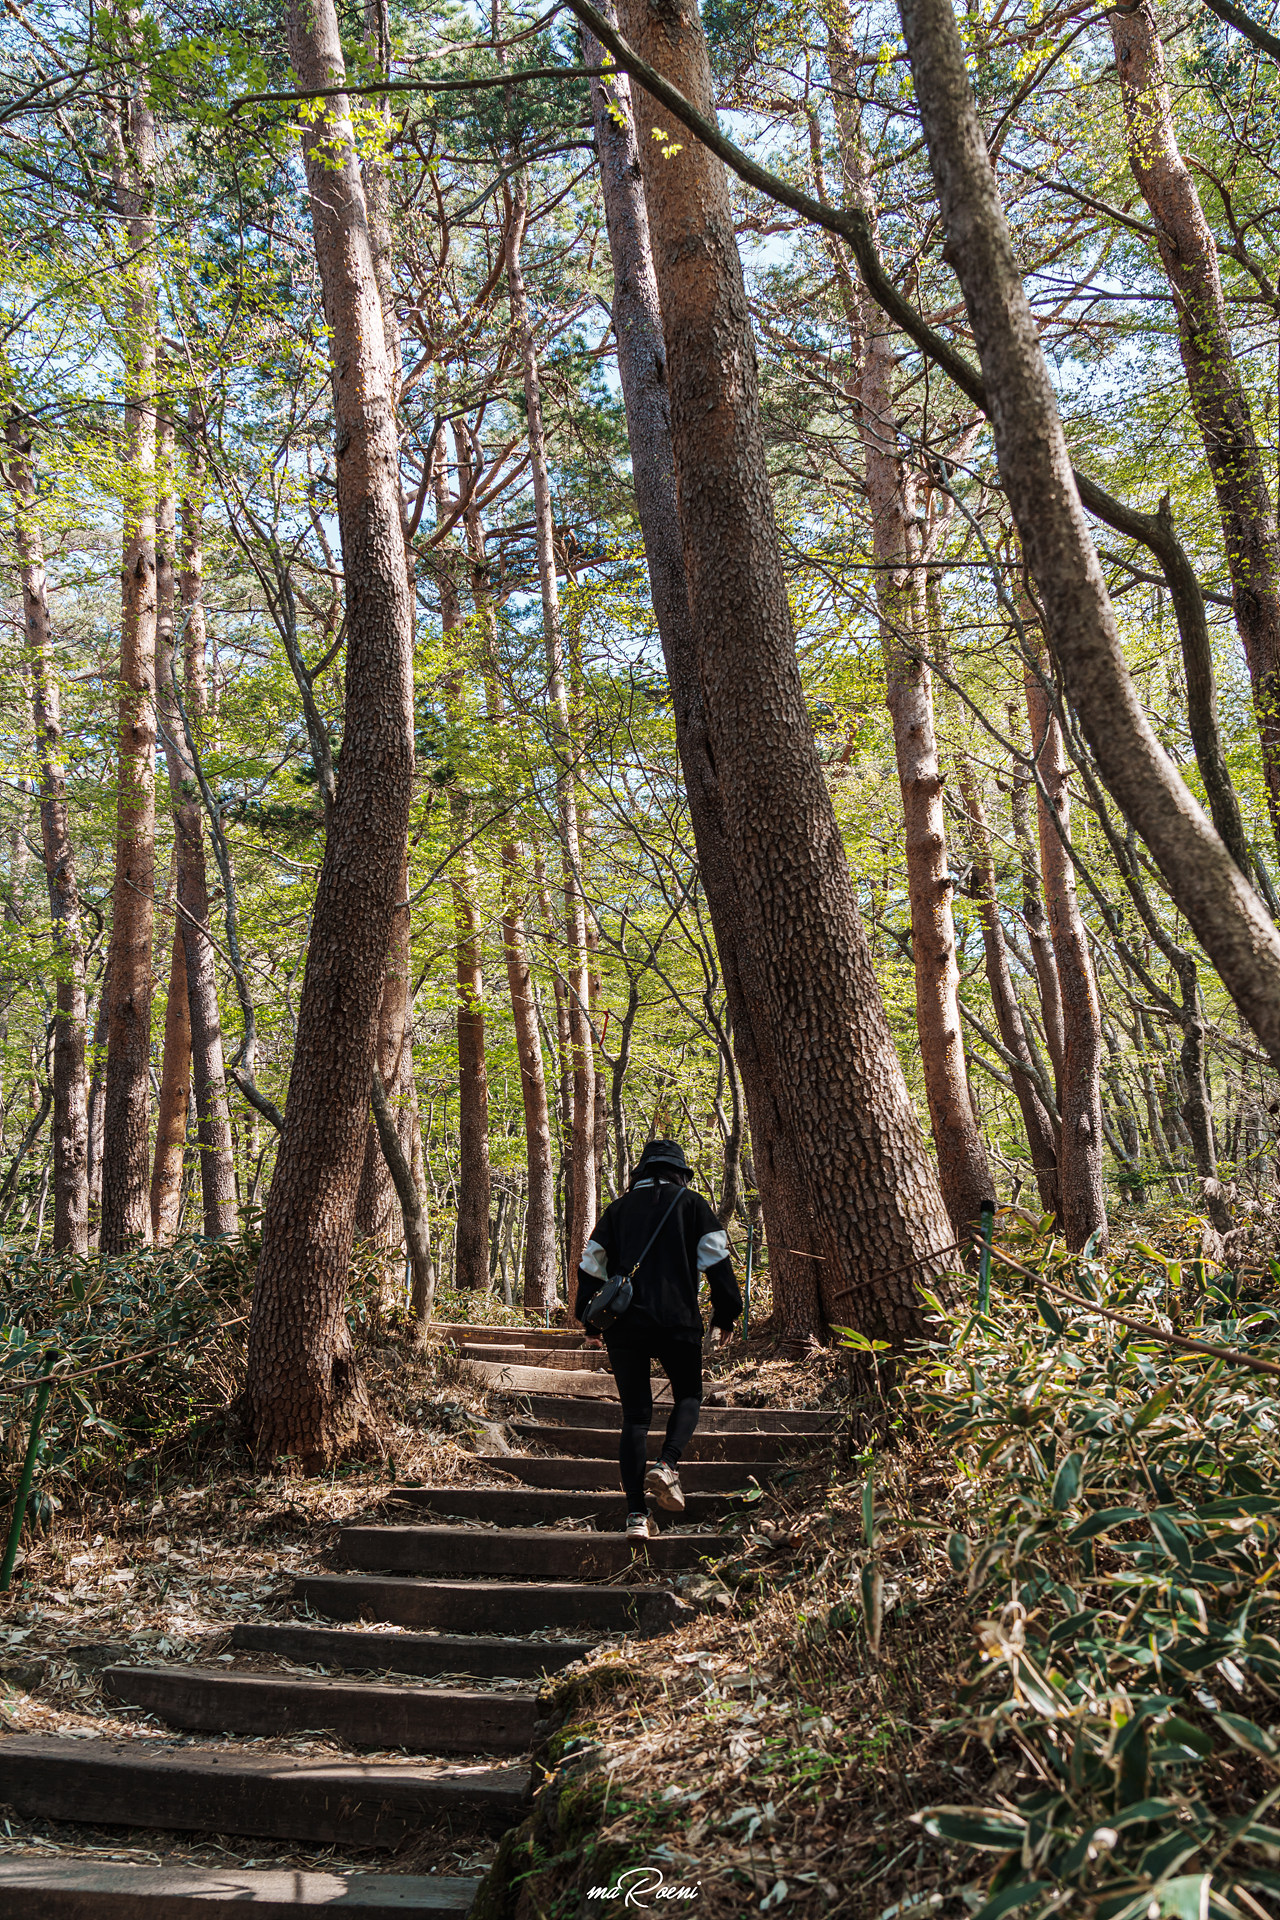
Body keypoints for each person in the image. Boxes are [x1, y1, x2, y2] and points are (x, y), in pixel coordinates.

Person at [574, 1139, 742, 1539]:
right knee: (688, 1396)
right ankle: (666, 1465)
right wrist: (726, 1314)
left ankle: (635, 1516)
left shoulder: (617, 1210)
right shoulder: (693, 1205)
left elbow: (591, 1269)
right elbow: (717, 1263)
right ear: (679, 1172)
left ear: (642, 1173)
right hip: (677, 1322)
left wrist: (592, 1326)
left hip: (624, 1326)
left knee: (635, 1417)